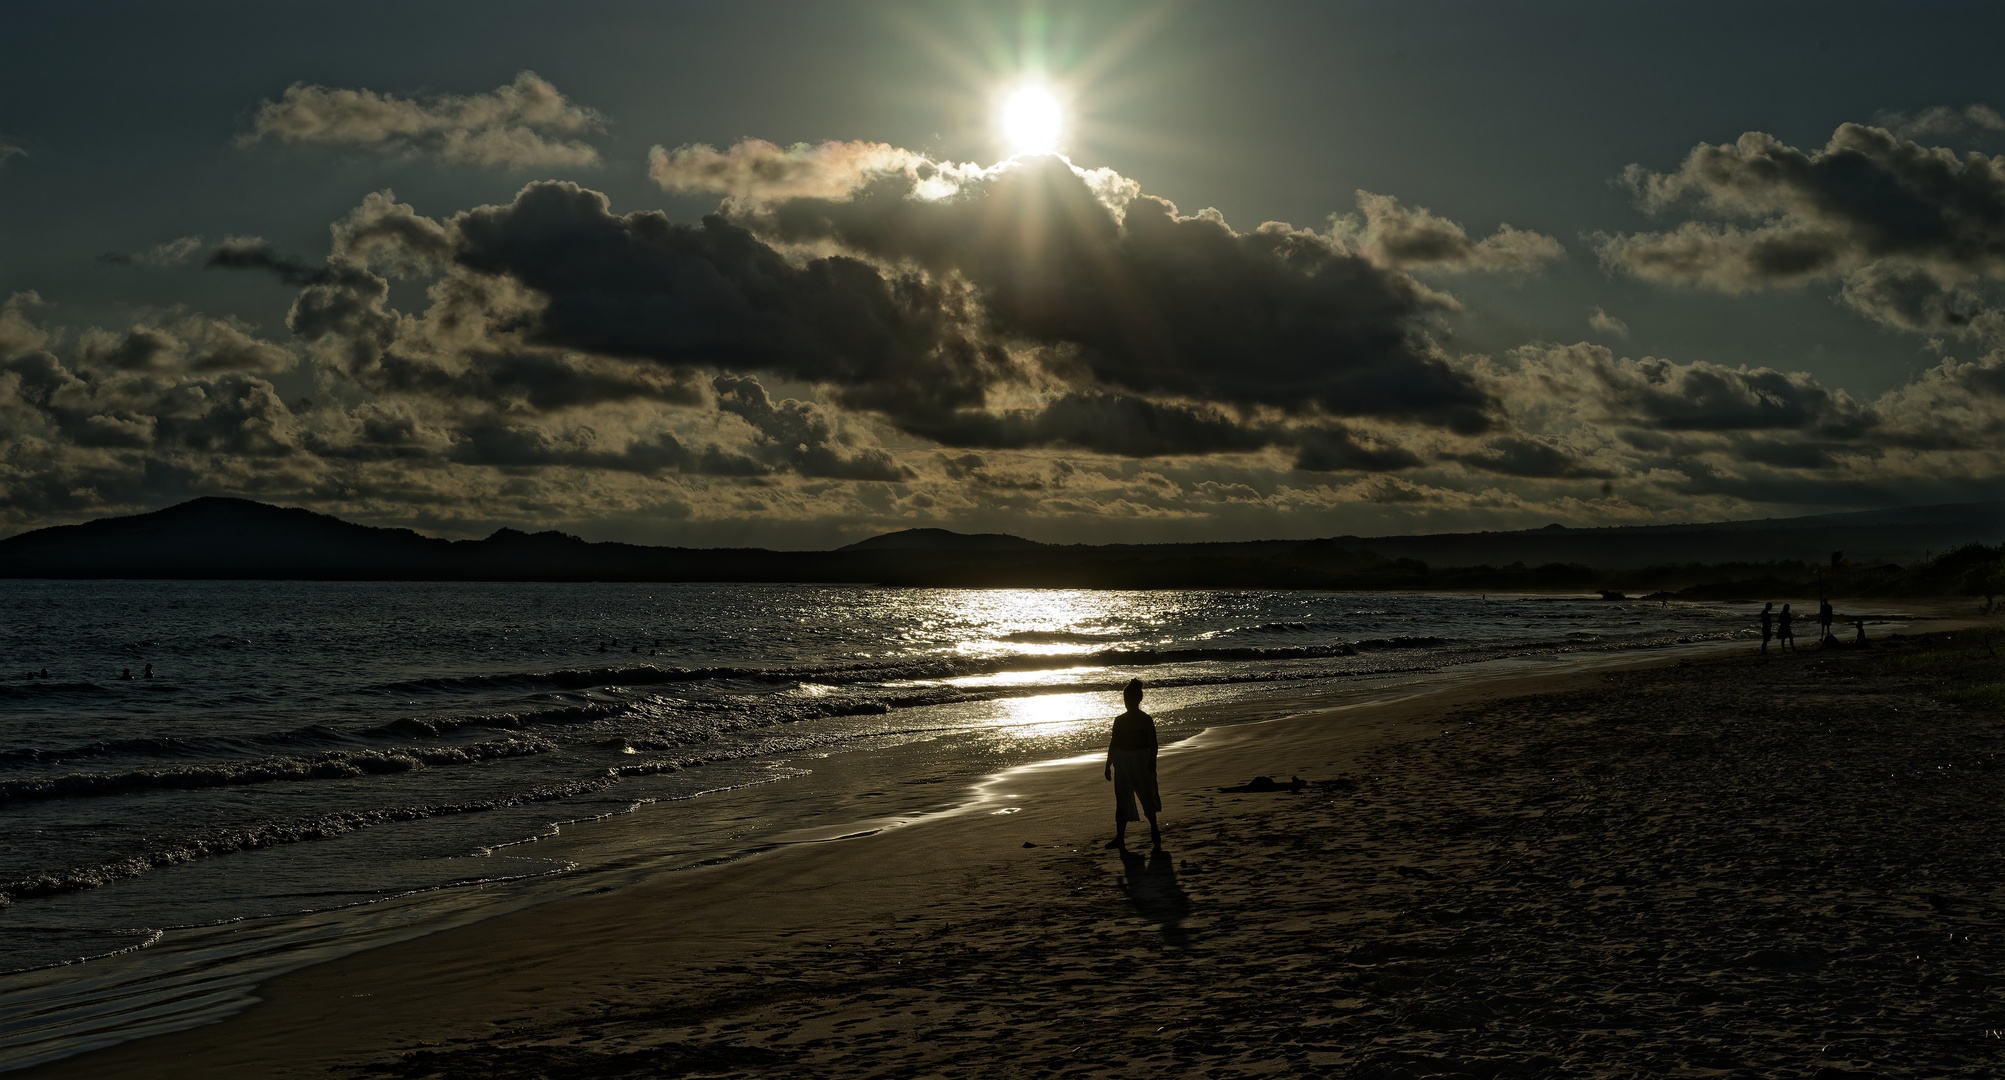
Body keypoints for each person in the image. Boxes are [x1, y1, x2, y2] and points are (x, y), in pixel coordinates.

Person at [1103, 678, 1162, 849]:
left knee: (1146, 795)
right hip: (1121, 761)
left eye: (1129, 699)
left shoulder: (1145, 719)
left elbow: (1153, 743)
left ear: (1138, 699)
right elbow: (1113, 744)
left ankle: (1154, 828)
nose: (1127, 702)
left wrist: (1153, 761)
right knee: (1122, 798)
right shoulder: (1119, 720)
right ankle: (1120, 837)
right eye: (1125, 699)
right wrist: (1108, 765)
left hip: (1141, 760)